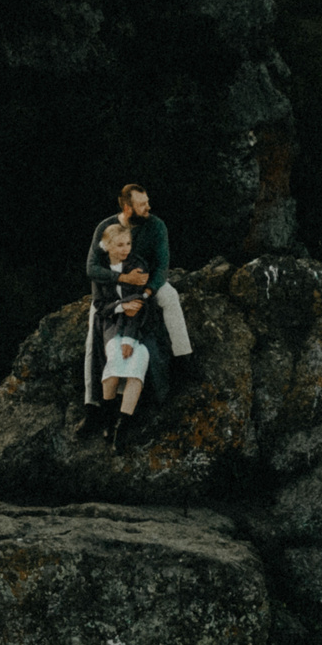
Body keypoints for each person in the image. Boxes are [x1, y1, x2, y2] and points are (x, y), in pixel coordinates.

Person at [78, 182, 190, 427]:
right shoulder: (105, 228)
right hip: (112, 290)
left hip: (146, 286)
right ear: (128, 208)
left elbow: (162, 267)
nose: (148, 207)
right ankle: (92, 406)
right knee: (92, 331)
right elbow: (91, 268)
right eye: (142, 204)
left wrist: (147, 293)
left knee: (170, 297)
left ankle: (183, 360)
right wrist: (121, 279)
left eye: (147, 202)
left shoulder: (157, 226)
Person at [90, 220, 154, 450]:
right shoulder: (101, 272)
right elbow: (100, 305)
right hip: (111, 323)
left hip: (139, 325)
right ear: (107, 246)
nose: (125, 249)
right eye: (119, 245)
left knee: (137, 361)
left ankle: (121, 428)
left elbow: (137, 306)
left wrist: (129, 338)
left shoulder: (137, 265)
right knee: (115, 360)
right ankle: (108, 418)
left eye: (128, 243)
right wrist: (120, 306)